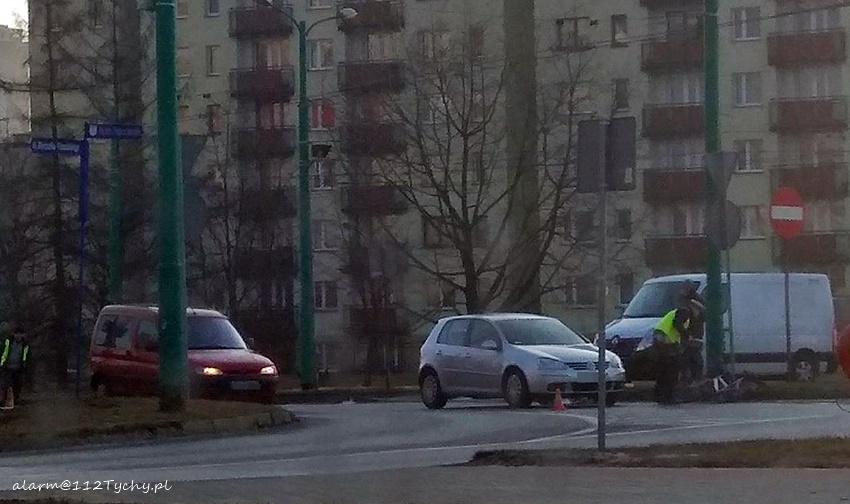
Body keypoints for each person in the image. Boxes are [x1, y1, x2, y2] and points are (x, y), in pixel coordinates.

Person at [652, 304, 693, 405]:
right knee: (671, 368)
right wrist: (687, 336)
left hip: (661, 337)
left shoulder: (679, 313)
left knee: (664, 368)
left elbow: (677, 333)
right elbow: (677, 324)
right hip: (664, 338)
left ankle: (660, 395)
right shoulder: (684, 312)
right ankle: (668, 396)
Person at [0, 324, 30, 408]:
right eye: (17, 333)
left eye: (21, 334)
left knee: (18, 385)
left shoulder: (25, 345)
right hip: (7, 367)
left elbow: (26, 356)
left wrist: (25, 365)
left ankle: (16, 401)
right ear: (13, 334)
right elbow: (2, 352)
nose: (18, 336)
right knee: (6, 385)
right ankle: (3, 401)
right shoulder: (7, 342)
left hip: (19, 368)